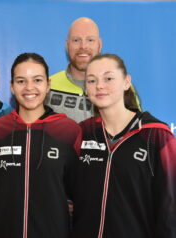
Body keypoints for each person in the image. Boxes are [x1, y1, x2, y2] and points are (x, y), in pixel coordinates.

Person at [71, 54, 176, 237]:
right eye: (92, 80)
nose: (100, 86)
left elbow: (170, 208)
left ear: (126, 82)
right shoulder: (82, 133)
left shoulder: (156, 135)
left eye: (108, 78)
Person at [0, 53, 81, 238]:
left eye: (37, 80)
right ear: (12, 87)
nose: (29, 88)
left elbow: (80, 193)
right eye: (21, 81)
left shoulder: (69, 131)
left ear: (48, 85)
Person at [45, 17, 140, 122]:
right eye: (76, 40)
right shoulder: (47, 86)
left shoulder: (120, 86)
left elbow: (135, 128)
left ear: (99, 45)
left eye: (90, 40)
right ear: (67, 46)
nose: (83, 46)